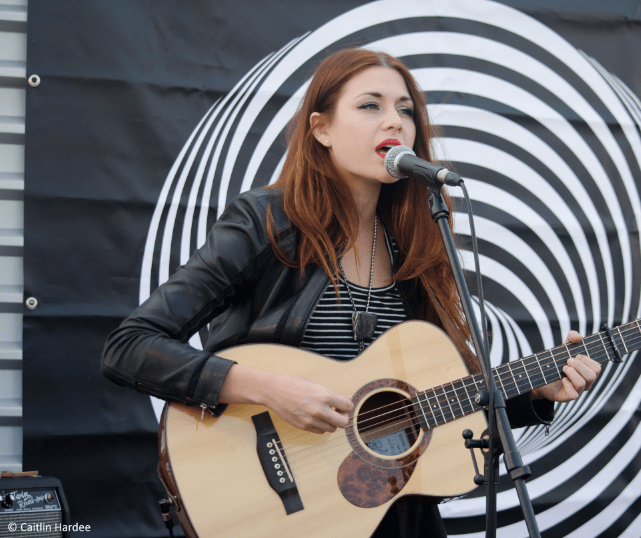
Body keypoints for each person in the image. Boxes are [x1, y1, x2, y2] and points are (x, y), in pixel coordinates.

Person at [101, 48, 601, 537]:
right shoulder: (267, 221)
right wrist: (272, 389)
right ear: (321, 129)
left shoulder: (415, 243)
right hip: (272, 508)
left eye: (405, 110)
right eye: (370, 106)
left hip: (393, 512)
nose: (395, 121)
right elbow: (130, 346)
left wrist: (535, 393)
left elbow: (432, 405)